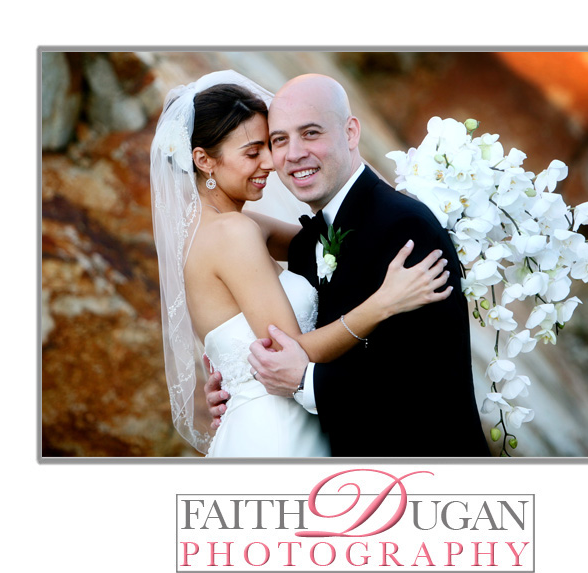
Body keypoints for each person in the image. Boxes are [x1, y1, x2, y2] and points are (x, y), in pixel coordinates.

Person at [151, 71, 451, 457]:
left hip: (261, 424)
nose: (270, 163)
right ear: (204, 160)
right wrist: (384, 303)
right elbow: (291, 351)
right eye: (252, 153)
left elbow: (324, 240)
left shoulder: (216, 229)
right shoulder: (232, 233)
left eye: (268, 146)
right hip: (277, 432)